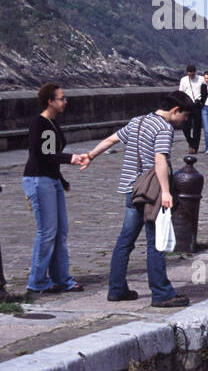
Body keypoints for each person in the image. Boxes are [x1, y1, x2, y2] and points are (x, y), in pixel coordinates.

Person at [81, 91, 194, 308]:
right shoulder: (164, 128)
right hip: (151, 192)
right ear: (175, 110)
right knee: (156, 241)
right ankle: (161, 293)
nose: (185, 120)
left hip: (130, 189)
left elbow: (111, 139)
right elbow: (160, 160)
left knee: (126, 240)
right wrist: (166, 192)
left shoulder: (138, 121)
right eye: (185, 116)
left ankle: (116, 289)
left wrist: (91, 155)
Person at [21, 83, 88, 295]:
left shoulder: (52, 123)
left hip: (51, 180)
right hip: (38, 180)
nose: (65, 101)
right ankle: (37, 281)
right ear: (50, 101)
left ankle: (61, 278)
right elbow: (43, 155)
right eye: (61, 98)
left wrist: (61, 179)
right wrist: (71, 158)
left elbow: (51, 155)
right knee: (47, 232)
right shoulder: (39, 124)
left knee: (61, 231)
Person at [178, 65, 204, 154]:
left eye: (193, 74)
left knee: (197, 128)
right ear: (187, 72)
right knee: (185, 127)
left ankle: (194, 148)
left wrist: (200, 100)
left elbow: (205, 92)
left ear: (195, 72)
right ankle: (191, 142)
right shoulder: (183, 80)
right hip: (187, 106)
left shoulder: (201, 79)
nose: (191, 76)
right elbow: (181, 93)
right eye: (190, 74)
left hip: (197, 105)